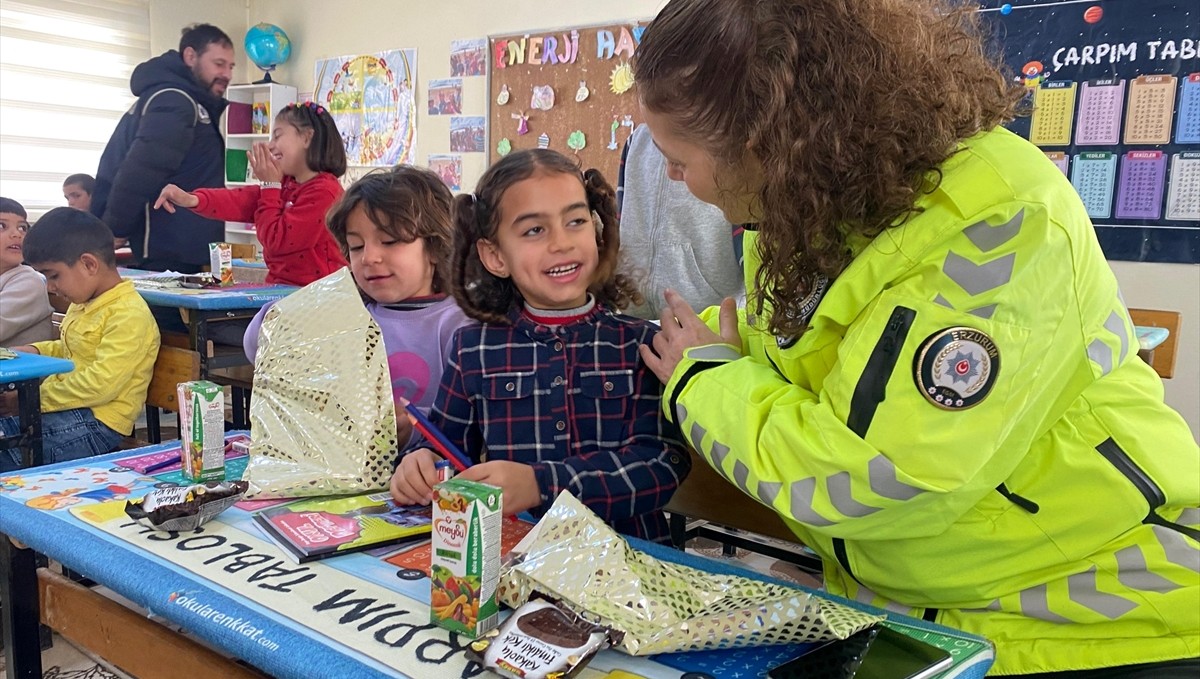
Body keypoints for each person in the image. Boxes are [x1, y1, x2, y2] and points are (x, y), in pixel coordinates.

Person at [633, 0, 1199, 676]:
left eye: (677, 158)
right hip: (917, 603)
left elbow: (876, 476)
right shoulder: (806, 203)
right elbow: (809, 365)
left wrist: (703, 382)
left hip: (1087, 618)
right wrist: (727, 357)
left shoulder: (997, 225)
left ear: (765, 142)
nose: (672, 179)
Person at [389, 149, 691, 543]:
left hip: (629, 567)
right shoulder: (473, 347)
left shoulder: (639, 344)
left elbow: (661, 465)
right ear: (495, 256)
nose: (562, 243)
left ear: (596, 231)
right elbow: (444, 448)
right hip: (514, 561)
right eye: (534, 230)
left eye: (576, 221)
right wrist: (420, 464)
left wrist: (542, 483)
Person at [243, 166, 471, 442]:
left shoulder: (458, 324)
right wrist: (287, 315)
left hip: (422, 477)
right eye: (357, 246)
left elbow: (469, 422)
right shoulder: (349, 314)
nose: (369, 257)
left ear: (435, 248)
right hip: (337, 470)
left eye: (389, 241)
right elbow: (257, 346)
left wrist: (413, 427)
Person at [0, 208, 159, 471]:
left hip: (96, 425)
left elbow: (100, 385)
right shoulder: (85, 301)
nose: (50, 287)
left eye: (53, 275)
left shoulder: (128, 314)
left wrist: (30, 400)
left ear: (89, 264)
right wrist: (32, 350)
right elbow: (72, 348)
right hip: (66, 412)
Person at [155, 102, 349, 286]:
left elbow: (277, 242)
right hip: (284, 291)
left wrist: (270, 185)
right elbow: (240, 200)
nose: (271, 145)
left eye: (277, 136)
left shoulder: (325, 192)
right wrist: (192, 199)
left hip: (317, 299)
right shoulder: (287, 184)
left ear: (307, 138)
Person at [91, 23, 234, 273]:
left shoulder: (177, 98)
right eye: (219, 64)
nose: (227, 74)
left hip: (178, 244)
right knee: (169, 314)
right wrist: (115, 229)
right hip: (169, 250)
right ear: (191, 56)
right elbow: (142, 169)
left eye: (231, 67)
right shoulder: (175, 101)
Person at [616, 124, 744, 319]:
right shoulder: (637, 140)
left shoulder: (727, 135)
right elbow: (622, 216)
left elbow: (748, 237)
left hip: (708, 322)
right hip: (633, 317)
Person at [0, 198, 54, 345]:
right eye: (1, 226)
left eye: (22, 228)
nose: (17, 234)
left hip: (19, 367)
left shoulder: (28, 282)